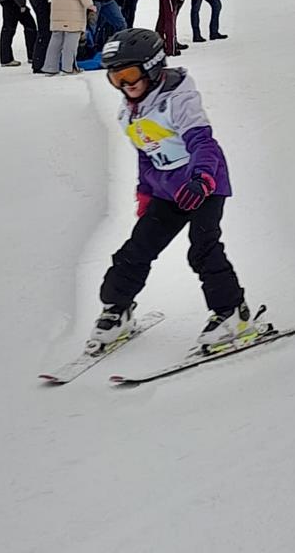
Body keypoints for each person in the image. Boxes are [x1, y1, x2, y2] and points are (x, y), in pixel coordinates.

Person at [87, 28, 253, 354]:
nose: (124, 84)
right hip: (166, 191)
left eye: (129, 75)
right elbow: (146, 153)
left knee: (203, 248)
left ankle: (233, 314)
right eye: (115, 78)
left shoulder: (179, 99)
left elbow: (203, 142)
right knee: (136, 249)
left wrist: (201, 178)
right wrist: (145, 192)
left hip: (203, 185)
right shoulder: (129, 110)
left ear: (152, 67)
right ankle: (117, 310)